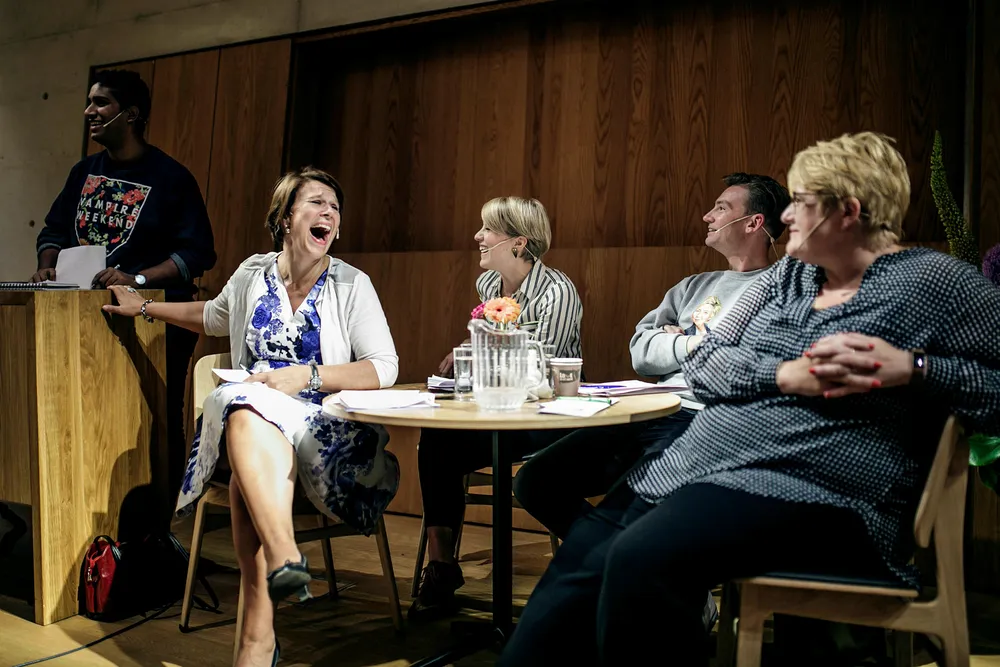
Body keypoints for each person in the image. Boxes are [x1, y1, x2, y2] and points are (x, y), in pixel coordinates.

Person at [497, 132, 1000, 667]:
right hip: (701, 465)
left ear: (849, 212)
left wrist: (914, 368)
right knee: (579, 570)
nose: (787, 216)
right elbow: (706, 364)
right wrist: (784, 374)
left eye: (801, 202)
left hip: (818, 487)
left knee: (640, 560)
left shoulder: (934, 283)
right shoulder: (787, 278)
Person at [104, 167, 400, 667]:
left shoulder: (352, 284)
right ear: (285, 218)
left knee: (244, 441)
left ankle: (263, 625)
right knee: (245, 406)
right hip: (257, 432)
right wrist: (146, 308)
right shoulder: (251, 275)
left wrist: (305, 376)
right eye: (317, 203)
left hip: (328, 437)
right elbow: (213, 316)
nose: (329, 213)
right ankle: (274, 587)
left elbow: (384, 367)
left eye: (335, 207)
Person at [510, 173, 788, 632]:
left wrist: (678, 341)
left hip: (708, 421)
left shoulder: (783, 286)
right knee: (536, 481)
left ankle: (656, 584)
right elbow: (641, 351)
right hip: (649, 408)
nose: (708, 215)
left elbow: (751, 361)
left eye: (721, 208)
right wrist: (695, 343)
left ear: (754, 222)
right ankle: (664, 579)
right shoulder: (693, 286)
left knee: (634, 504)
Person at [32, 69, 216, 506]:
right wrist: (47, 265)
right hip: (86, 321)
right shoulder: (83, 172)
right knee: (93, 416)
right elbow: (52, 230)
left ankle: (158, 521)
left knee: (154, 419)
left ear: (130, 115)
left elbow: (197, 254)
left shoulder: (171, 177)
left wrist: (137, 279)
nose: (88, 112)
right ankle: (100, 512)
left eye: (101, 103)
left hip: (156, 322)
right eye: (89, 102)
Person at [409, 196, 583, 620]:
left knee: (455, 443)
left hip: (545, 419)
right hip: (495, 411)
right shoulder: (489, 285)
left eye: (488, 229)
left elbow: (540, 369)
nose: (478, 236)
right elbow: (493, 346)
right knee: (436, 438)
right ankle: (441, 567)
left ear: (519, 243)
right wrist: (469, 350)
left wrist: (482, 354)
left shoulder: (557, 293)